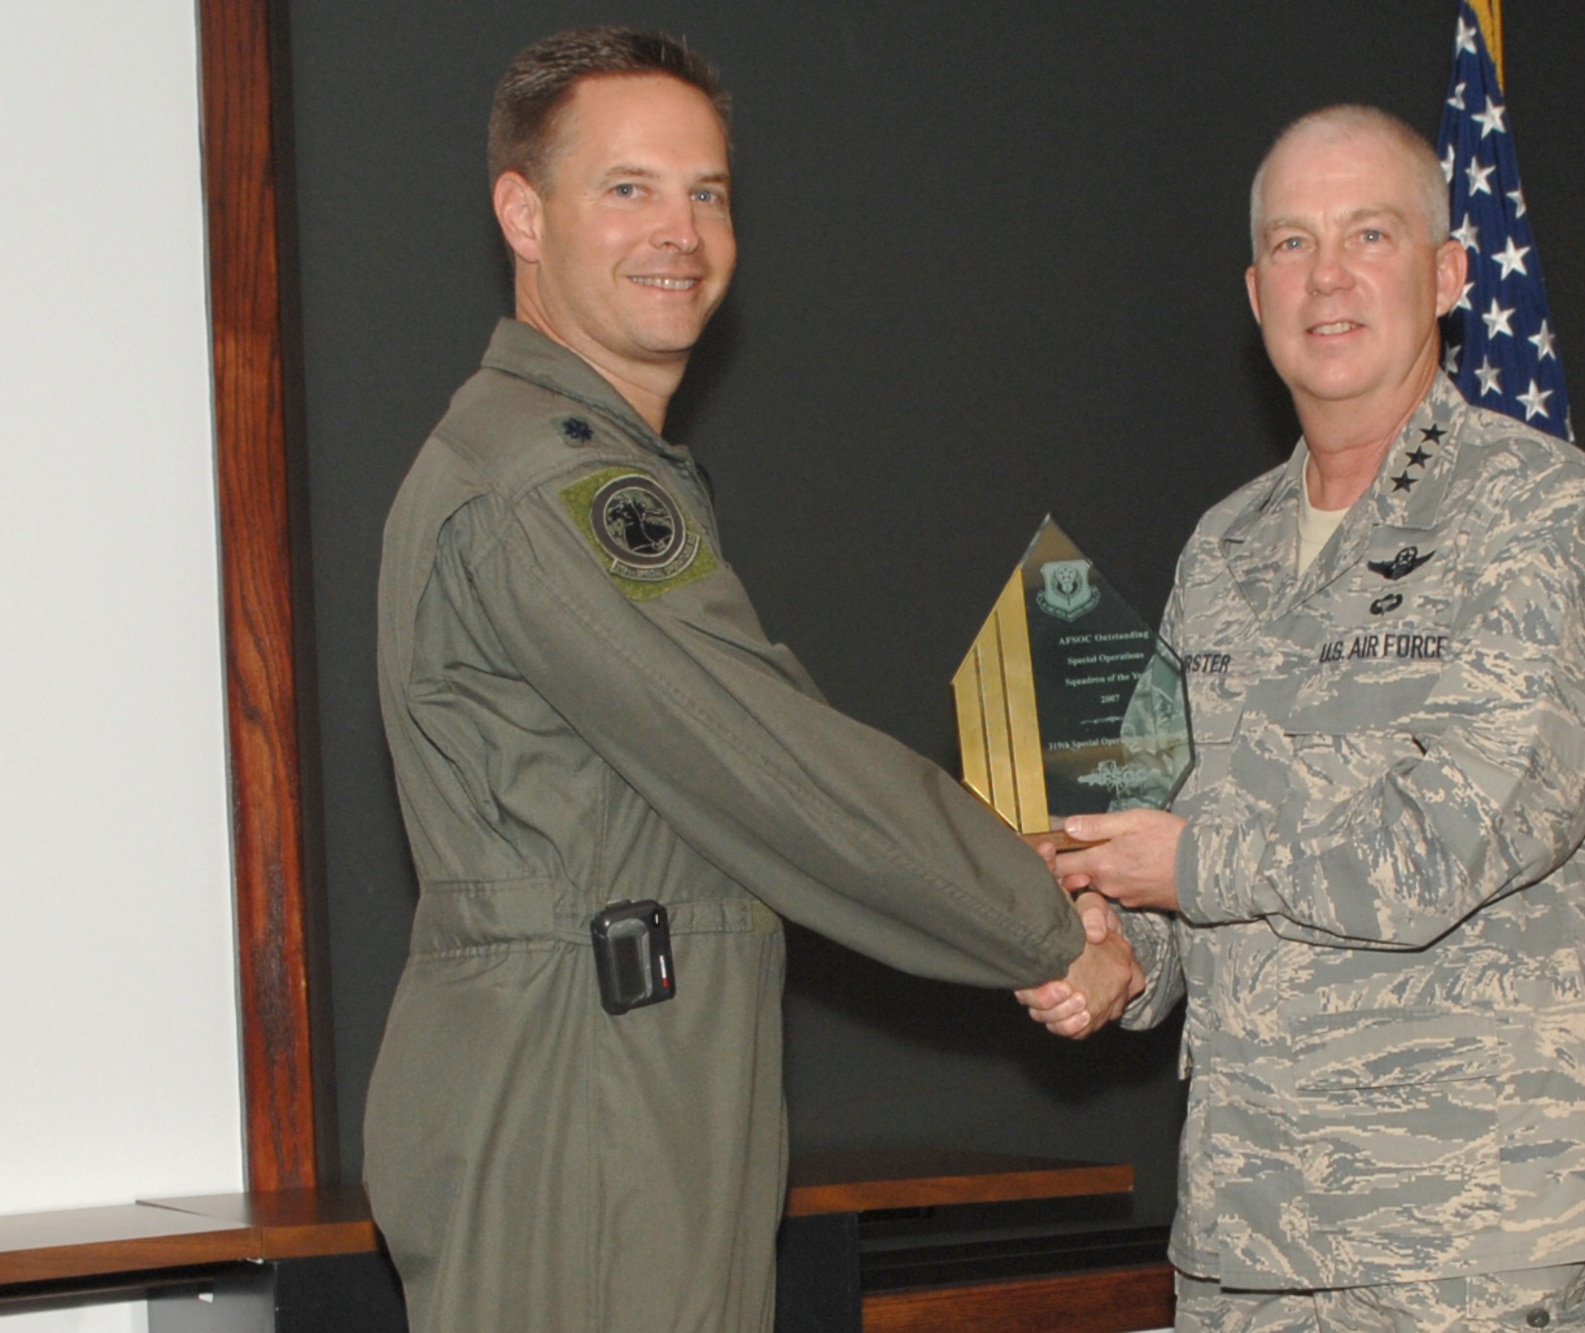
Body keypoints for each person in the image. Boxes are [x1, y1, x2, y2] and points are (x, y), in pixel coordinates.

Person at [363, 27, 1138, 1333]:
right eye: (628, 188)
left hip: (628, 1074)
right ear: (523, 214)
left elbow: (703, 793)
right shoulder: (549, 483)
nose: (679, 232)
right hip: (580, 1101)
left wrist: (1021, 874)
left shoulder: (573, 458)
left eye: (706, 193)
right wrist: (1043, 923)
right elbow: (776, 766)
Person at [1018, 106, 1585, 1332]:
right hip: (1251, 1242)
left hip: (1477, 1245)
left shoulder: (1542, 517)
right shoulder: (1223, 547)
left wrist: (1183, 867)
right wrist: (1119, 959)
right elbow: (1176, 839)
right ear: (1254, 292)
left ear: (1445, 276)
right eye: (1290, 243)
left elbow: (1454, 841)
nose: (1325, 276)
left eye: (1367, 235)